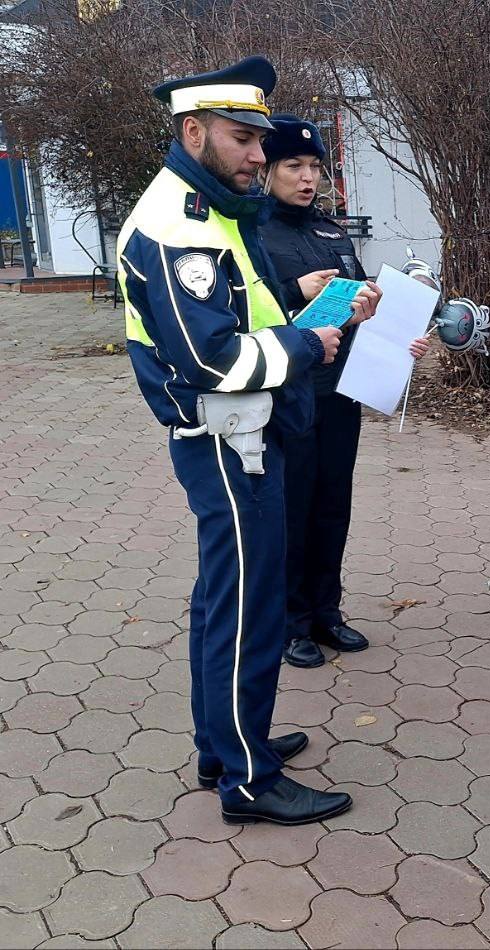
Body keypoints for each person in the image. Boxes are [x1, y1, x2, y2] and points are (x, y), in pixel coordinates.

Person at [117, 57, 363, 825]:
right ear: (193, 133)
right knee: (248, 607)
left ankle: (222, 745)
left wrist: (294, 311)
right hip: (230, 440)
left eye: (261, 138)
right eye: (242, 138)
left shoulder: (207, 207)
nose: (259, 154)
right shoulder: (176, 226)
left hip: (244, 435)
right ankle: (247, 779)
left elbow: (240, 312)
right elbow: (213, 357)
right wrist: (303, 346)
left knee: (223, 598)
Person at [257, 114, 429, 669]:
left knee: (334, 503)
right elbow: (245, 313)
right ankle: (290, 623)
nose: (307, 178)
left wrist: (397, 333)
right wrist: (290, 290)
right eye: (293, 166)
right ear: (268, 168)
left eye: (315, 167)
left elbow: (358, 311)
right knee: (294, 506)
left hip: (341, 391)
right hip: (288, 393)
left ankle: (327, 611)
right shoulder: (252, 233)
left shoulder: (330, 231)